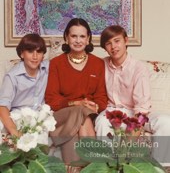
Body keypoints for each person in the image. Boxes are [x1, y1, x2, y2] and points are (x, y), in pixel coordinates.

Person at [95, 25, 170, 164]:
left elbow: (142, 109)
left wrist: (129, 142)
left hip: (136, 112)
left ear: (126, 41)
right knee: (101, 123)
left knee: (166, 122)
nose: (113, 47)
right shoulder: (101, 64)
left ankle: (160, 167)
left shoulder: (138, 67)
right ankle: (107, 166)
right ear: (105, 48)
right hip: (112, 111)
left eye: (117, 41)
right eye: (108, 43)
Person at [45, 18, 108, 165]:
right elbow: (51, 99)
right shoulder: (56, 64)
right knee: (81, 112)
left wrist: (95, 106)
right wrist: (75, 103)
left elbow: (101, 97)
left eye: (82, 36)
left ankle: (75, 167)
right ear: (66, 38)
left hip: (87, 113)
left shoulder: (98, 64)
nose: (78, 40)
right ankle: (95, 165)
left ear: (88, 39)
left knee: (83, 115)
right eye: (74, 36)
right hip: (63, 114)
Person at [0, 33, 49, 137]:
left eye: (39, 52)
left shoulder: (48, 68)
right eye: (30, 51)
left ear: (43, 55)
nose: (35, 56)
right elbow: (3, 106)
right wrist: (14, 131)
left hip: (40, 116)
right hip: (19, 116)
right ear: (22, 54)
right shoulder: (12, 76)